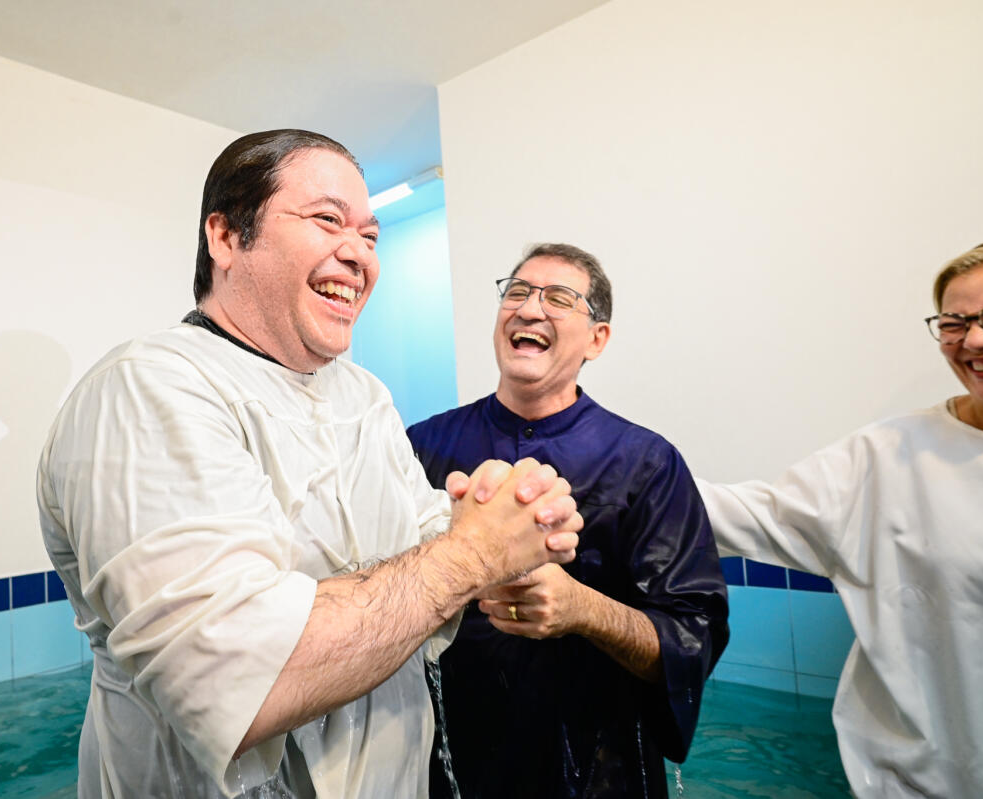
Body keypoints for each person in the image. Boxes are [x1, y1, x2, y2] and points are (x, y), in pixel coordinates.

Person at [36, 130, 584, 798]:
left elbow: (424, 541)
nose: (359, 254)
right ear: (226, 237)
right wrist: (471, 555)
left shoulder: (364, 396)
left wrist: (499, 521)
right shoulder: (145, 389)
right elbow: (235, 681)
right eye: (327, 219)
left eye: (371, 236)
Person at [406, 243, 730, 798]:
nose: (529, 308)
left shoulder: (647, 465)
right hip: (448, 760)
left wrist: (582, 609)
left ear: (596, 339)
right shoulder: (423, 446)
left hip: (597, 769)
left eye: (558, 298)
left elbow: (692, 638)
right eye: (517, 292)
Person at [696, 242, 983, 798]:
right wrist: (595, 465)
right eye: (954, 324)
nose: (977, 340)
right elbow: (748, 516)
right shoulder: (891, 456)